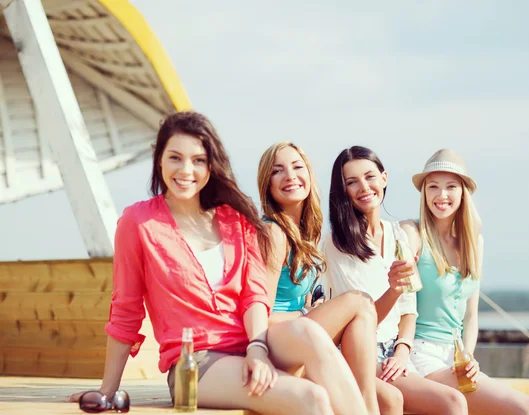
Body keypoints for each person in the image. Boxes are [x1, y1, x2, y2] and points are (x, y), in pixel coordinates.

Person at [67, 112, 371, 415]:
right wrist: (107, 390)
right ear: (159, 160)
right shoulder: (139, 222)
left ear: (211, 166)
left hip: (250, 344)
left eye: (198, 160)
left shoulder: (235, 218)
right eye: (175, 158)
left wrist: (258, 348)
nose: (186, 170)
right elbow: (126, 309)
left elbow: (254, 294)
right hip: (197, 363)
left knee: (310, 332)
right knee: (312, 397)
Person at [257, 142, 405, 415]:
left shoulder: (307, 233)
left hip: (301, 335)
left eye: (297, 167)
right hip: (275, 341)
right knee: (359, 302)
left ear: (310, 175)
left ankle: (366, 404)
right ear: (267, 184)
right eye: (278, 171)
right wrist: (307, 314)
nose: (290, 176)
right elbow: (260, 315)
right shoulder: (273, 234)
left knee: (392, 399)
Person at [323, 145, 469, 415]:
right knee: (401, 401)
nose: (364, 187)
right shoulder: (337, 244)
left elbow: (409, 309)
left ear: (384, 178)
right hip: (359, 354)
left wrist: (402, 350)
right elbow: (362, 320)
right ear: (343, 191)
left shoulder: (398, 235)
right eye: (351, 182)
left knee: (455, 402)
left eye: (370, 177)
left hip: (397, 354)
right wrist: (392, 290)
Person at [402, 148, 529, 415]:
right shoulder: (412, 231)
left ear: (463, 192)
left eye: (451, 187)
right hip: (419, 354)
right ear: (424, 193)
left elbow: (470, 316)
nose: (441, 195)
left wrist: (468, 357)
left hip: (456, 357)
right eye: (433, 186)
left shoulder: (474, 242)